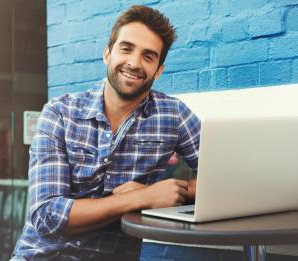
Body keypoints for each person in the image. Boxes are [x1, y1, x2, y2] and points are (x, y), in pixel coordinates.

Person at [12, 5, 200, 261]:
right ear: (107, 54)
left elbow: (224, 178)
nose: (134, 63)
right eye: (126, 48)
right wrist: (142, 197)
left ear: (159, 70)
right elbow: (48, 216)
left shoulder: (173, 115)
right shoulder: (59, 113)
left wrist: (179, 191)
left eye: (148, 56)